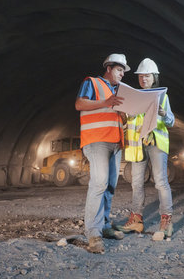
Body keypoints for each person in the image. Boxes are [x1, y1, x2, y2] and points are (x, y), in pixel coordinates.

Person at [75, 53, 129, 254]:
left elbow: (112, 115)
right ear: (108, 68)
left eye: (124, 71)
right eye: (119, 70)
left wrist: (122, 114)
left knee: (110, 186)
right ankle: (93, 234)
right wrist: (107, 103)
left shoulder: (116, 92)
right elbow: (80, 104)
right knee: (99, 184)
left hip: (115, 143)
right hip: (97, 141)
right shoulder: (93, 83)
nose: (122, 74)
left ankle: (105, 226)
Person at [118, 58, 175, 239]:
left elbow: (171, 122)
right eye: (141, 76)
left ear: (154, 77)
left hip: (157, 142)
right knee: (136, 182)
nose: (144, 79)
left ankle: (166, 221)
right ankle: (136, 220)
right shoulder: (133, 99)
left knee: (160, 181)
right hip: (137, 144)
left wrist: (164, 114)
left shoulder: (163, 97)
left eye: (147, 76)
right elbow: (127, 122)